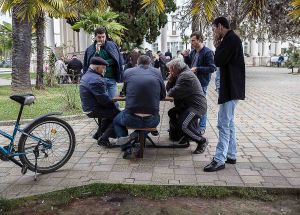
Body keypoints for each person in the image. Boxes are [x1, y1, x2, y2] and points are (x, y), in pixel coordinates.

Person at [204, 17, 245, 172]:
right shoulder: (231, 39)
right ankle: (231, 154)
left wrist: (216, 45)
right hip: (231, 88)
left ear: (220, 27)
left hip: (231, 89)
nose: (214, 33)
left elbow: (218, 61)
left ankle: (219, 159)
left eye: (214, 29)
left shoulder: (230, 40)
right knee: (229, 123)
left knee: (223, 124)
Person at [113, 55, 166, 156]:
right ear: (150, 63)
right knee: (153, 120)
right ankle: (137, 134)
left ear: (137, 63)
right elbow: (163, 95)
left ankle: (127, 148)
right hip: (152, 120)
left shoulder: (128, 72)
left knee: (116, 121)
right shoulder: (157, 72)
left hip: (130, 118)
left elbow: (125, 91)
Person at [166, 58, 208, 154]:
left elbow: (171, 93)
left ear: (175, 69)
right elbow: (170, 91)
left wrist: (170, 79)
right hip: (188, 105)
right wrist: (172, 80)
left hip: (196, 107)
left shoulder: (186, 76)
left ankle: (201, 141)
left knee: (183, 125)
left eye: (170, 69)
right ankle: (184, 137)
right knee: (172, 113)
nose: (169, 71)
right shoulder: (183, 74)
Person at [80, 57, 120, 146]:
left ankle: (99, 134)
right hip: (93, 109)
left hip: (88, 106)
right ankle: (103, 139)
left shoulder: (87, 75)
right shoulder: (96, 79)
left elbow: (102, 99)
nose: (104, 70)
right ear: (97, 68)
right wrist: (114, 102)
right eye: (103, 68)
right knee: (119, 115)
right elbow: (104, 100)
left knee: (112, 112)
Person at [182, 31, 216, 135]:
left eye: (193, 40)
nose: (191, 42)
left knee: (201, 105)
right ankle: (194, 126)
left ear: (200, 40)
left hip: (202, 83)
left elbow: (212, 68)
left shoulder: (208, 52)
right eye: (191, 40)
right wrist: (186, 57)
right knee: (192, 105)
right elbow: (189, 65)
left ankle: (202, 127)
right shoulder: (193, 52)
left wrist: (197, 69)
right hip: (192, 83)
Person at [83, 27, 123, 99]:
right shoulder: (90, 49)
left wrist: (103, 63)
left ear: (105, 36)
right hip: (97, 81)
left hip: (111, 79)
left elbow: (116, 60)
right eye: (99, 37)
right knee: (101, 103)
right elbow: (91, 64)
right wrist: (97, 52)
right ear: (95, 37)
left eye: (103, 37)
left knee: (114, 103)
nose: (101, 39)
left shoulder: (112, 45)